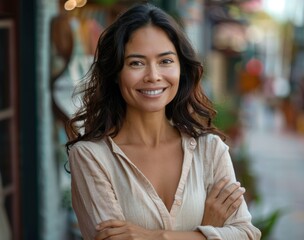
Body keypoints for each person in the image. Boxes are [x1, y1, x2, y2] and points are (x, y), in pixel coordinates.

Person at [66, 3, 261, 240]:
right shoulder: (91, 156)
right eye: (136, 63)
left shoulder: (209, 150)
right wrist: (206, 229)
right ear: (115, 73)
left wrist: (156, 236)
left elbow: (246, 234)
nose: (153, 76)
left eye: (165, 61)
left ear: (181, 68)